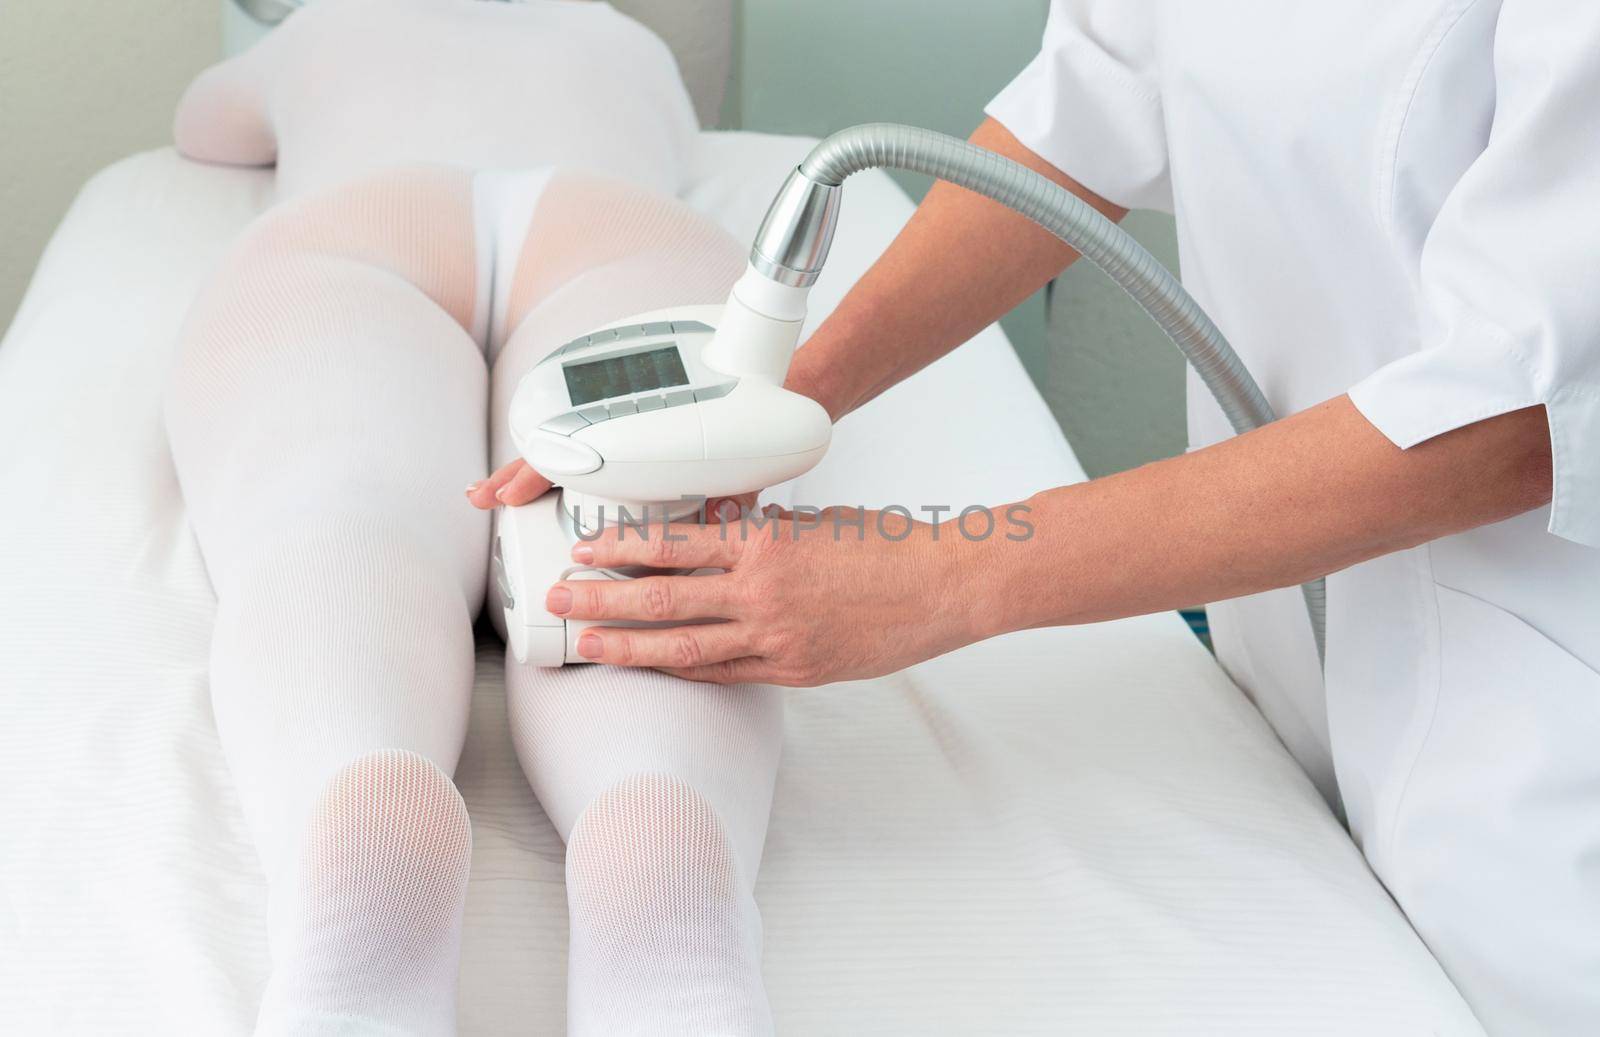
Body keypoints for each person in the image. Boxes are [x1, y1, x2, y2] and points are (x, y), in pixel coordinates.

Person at [533, 3, 1600, 1031]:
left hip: (1541, 748)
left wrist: (939, 576)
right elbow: (1087, 113)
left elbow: (1518, 414)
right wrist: (763, 405)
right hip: (1307, 664)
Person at [168, 2, 779, 1033]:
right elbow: (687, 138)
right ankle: (662, 862)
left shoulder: (327, 26)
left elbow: (203, 127)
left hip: (356, 226)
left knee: (337, 505)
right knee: (642, 534)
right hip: (618, 228)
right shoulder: (626, 43)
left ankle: (361, 828)